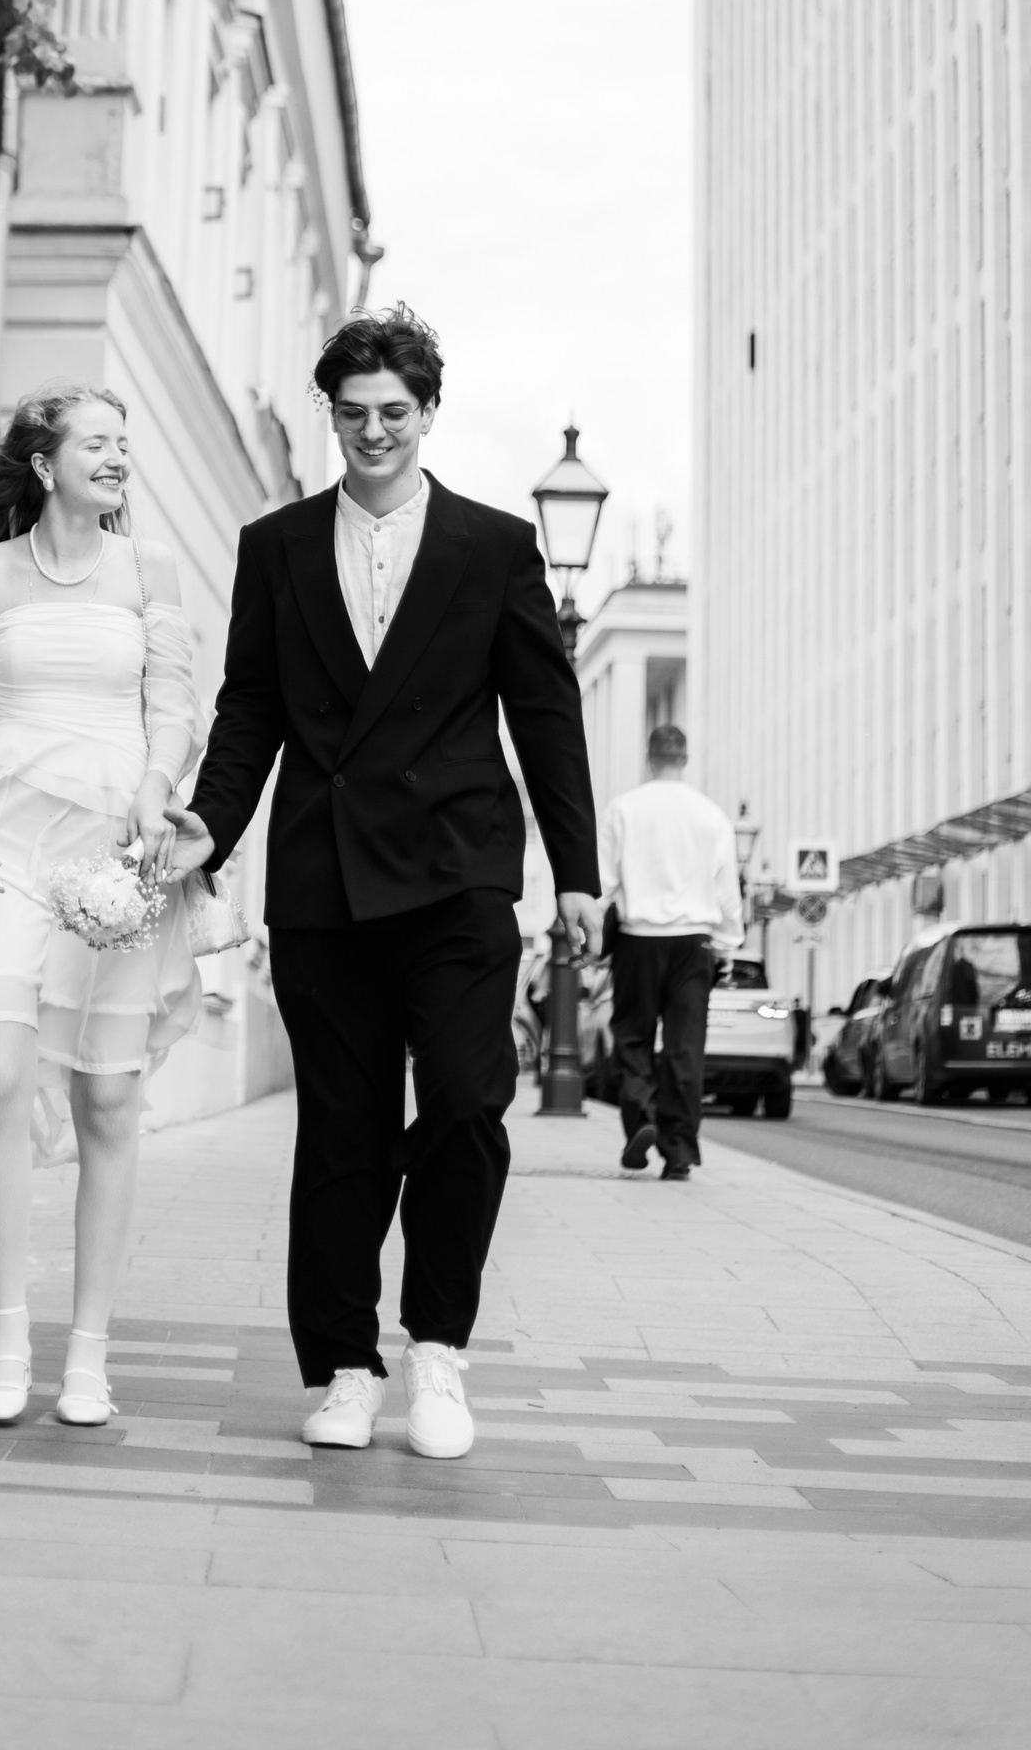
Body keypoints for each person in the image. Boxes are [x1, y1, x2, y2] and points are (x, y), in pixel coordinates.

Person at [166, 306, 600, 1463]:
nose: (373, 433)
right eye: (354, 413)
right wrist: (211, 826)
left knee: (464, 1105)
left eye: (394, 413)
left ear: (429, 412)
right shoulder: (277, 546)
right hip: (327, 879)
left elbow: (545, 715)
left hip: (458, 874)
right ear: (332, 413)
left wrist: (578, 874)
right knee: (343, 1133)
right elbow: (250, 706)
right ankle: (346, 1368)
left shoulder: (493, 547)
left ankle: (438, 1349)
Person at [0, 385, 202, 1431]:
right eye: (97, 443)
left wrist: (157, 794)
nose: (118, 458)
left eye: (125, 443)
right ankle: (7, 1337)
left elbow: (174, 708)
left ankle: (88, 1355)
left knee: (109, 1102)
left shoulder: (149, 570)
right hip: (8, 849)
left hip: (113, 854)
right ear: (44, 464)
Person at [600, 725, 744, 1180]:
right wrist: (727, 945)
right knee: (685, 1046)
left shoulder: (623, 809)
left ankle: (640, 1117)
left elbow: (604, 882)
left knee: (632, 1036)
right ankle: (679, 1151)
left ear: (650, 757)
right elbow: (727, 891)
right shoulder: (711, 815)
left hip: (638, 937)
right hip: (694, 940)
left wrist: (593, 938)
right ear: (685, 758)